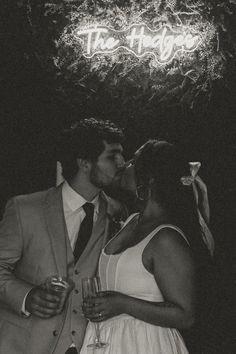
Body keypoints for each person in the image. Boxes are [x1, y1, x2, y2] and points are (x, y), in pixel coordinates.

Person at [0, 118, 128, 354]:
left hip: (88, 345)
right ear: (84, 163)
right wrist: (27, 297)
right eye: (112, 156)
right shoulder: (25, 208)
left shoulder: (118, 213)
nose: (122, 163)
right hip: (24, 344)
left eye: (121, 155)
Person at [81, 140, 214, 354]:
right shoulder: (132, 220)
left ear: (149, 178)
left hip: (145, 344)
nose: (125, 165)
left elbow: (185, 315)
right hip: (107, 340)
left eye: (133, 161)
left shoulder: (166, 237)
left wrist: (122, 304)